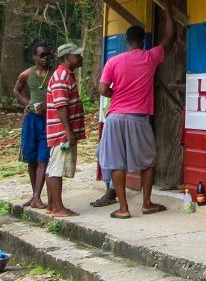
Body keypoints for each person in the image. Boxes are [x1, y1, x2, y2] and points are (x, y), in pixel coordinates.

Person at [96, 20, 177, 218]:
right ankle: (147, 203)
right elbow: (170, 38)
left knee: (116, 163)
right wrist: (166, 10)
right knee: (147, 162)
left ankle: (123, 209)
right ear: (143, 40)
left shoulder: (113, 62)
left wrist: (117, 93)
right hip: (137, 118)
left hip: (114, 118)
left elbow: (102, 89)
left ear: (126, 41)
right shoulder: (149, 57)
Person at [43, 43, 86, 218]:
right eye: (77, 55)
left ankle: (53, 204)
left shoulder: (67, 75)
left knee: (53, 167)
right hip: (61, 132)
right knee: (56, 169)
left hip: (59, 130)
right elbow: (61, 106)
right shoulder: (62, 77)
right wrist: (68, 132)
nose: (80, 58)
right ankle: (58, 207)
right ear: (67, 57)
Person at [13, 42, 53, 210]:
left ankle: (37, 196)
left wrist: (48, 104)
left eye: (47, 55)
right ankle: (34, 195)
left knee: (43, 157)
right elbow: (16, 90)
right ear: (34, 57)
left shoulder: (54, 74)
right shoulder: (26, 74)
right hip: (31, 119)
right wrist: (27, 103)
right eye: (42, 55)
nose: (45, 58)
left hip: (48, 119)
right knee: (31, 157)